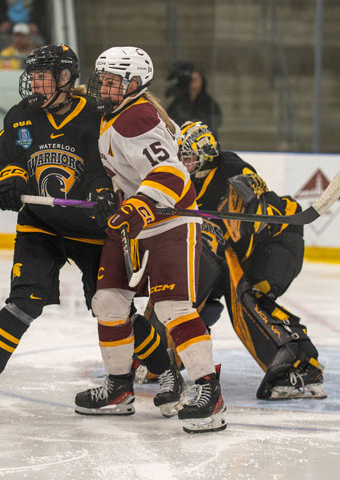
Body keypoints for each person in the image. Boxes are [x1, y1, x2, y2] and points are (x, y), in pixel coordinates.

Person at [0, 44, 181, 423]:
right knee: (22, 302)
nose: (33, 84)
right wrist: (6, 179)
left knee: (113, 307)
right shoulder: (20, 116)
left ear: (65, 80)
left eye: (42, 77)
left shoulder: (96, 115)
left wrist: (101, 191)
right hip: (39, 225)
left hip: (90, 229)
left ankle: (169, 375)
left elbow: (109, 164)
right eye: (32, 77)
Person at [76, 46, 226, 434]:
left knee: (172, 307)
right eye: (102, 80)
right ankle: (119, 388)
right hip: (133, 223)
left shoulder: (137, 117)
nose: (103, 87)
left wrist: (138, 207)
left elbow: (173, 173)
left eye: (112, 82)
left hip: (168, 221)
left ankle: (209, 392)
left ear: (134, 84)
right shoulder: (118, 112)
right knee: (108, 301)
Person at [144, 121, 326, 400]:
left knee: (249, 297)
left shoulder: (231, 169)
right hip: (237, 250)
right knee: (179, 284)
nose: (183, 162)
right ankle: (157, 356)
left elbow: (254, 224)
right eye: (180, 156)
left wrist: (253, 203)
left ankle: (301, 364)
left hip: (276, 243)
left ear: (206, 153)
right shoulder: (187, 180)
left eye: (188, 156)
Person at [166, 65, 222, 137]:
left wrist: (197, 123)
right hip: (184, 137)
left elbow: (217, 120)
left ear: (202, 82)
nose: (192, 81)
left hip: (203, 138)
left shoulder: (208, 102)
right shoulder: (180, 100)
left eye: (195, 79)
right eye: (191, 79)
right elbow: (169, 117)